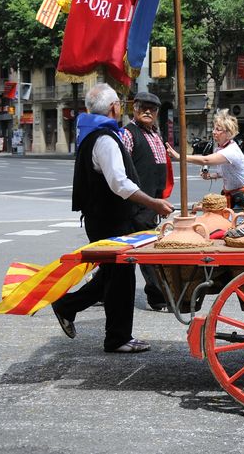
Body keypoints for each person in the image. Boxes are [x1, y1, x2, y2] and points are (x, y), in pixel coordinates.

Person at [51, 83, 174, 353]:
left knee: (114, 274)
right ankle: (116, 336)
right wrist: (153, 202)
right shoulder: (105, 139)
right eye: (119, 103)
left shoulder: (94, 134)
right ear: (113, 108)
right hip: (109, 219)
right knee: (120, 276)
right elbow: (120, 184)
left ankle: (69, 308)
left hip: (106, 217)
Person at [120, 91, 172, 312]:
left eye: (153, 108)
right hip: (136, 205)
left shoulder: (156, 135)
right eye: (143, 107)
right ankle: (159, 296)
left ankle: (100, 286)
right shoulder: (128, 134)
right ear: (135, 108)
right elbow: (120, 172)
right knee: (147, 254)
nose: (148, 111)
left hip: (151, 204)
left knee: (135, 255)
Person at [166, 108, 244, 211]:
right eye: (214, 128)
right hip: (233, 196)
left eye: (218, 129)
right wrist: (210, 176)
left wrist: (179, 156)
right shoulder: (220, 149)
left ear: (228, 133)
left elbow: (205, 160)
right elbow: (223, 173)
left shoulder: (231, 151)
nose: (214, 132)